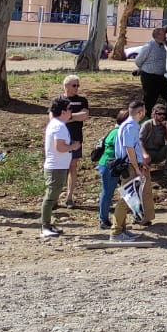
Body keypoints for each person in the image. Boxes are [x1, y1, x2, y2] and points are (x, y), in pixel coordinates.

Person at [110, 100, 154, 241]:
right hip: (129, 166)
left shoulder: (130, 125)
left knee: (129, 198)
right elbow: (129, 149)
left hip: (132, 165)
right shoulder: (130, 127)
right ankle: (116, 232)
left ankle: (122, 229)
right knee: (126, 198)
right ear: (140, 112)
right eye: (144, 111)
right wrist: (137, 168)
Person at [49, 75, 91, 209]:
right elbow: (52, 119)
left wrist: (67, 117)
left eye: (78, 85)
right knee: (59, 169)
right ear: (66, 86)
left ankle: (69, 197)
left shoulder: (82, 100)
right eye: (74, 85)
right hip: (59, 138)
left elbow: (84, 115)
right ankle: (53, 198)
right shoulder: (57, 100)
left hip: (75, 137)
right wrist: (74, 117)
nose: (77, 88)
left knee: (73, 166)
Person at [40, 100, 80, 238]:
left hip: (58, 166)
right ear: (63, 111)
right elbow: (60, 147)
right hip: (55, 167)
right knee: (51, 197)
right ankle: (45, 227)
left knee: (53, 196)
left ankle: (48, 224)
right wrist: (73, 147)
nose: (71, 112)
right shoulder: (59, 127)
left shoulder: (57, 125)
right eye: (69, 109)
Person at [95, 108, 129, 229]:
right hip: (109, 165)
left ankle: (107, 218)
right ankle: (103, 219)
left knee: (110, 192)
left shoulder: (115, 130)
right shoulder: (118, 132)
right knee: (107, 192)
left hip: (110, 164)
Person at [134, 27, 167, 110]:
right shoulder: (149, 46)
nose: (165, 36)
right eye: (163, 34)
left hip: (160, 77)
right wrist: (142, 69)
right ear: (157, 35)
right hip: (149, 77)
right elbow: (138, 60)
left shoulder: (162, 46)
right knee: (150, 100)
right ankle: (144, 119)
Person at [140, 104, 167, 179]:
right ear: (154, 114)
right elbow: (139, 141)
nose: (162, 116)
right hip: (147, 153)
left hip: (158, 152)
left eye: (164, 114)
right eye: (159, 114)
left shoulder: (164, 125)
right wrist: (145, 154)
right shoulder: (147, 125)